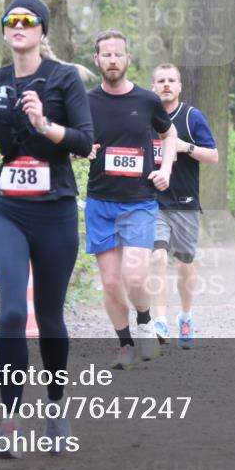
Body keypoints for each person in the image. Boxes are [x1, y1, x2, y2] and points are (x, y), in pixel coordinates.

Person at [0, 0, 93, 458]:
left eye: (28, 20)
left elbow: (84, 142)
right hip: (8, 207)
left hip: (56, 208)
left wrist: (45, 125)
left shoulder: (63, 79)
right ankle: (8, 423)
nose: (18, 26)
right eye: (11, 20)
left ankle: (56, 407)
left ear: (42, 31)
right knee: (13, 314)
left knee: (50, 316)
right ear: (5, 31)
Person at [84, 30, 177, 369]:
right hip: (100, 202)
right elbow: (73, 142)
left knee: (134, 276)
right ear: (96, 60)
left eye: (118, 54)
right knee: (110, 282)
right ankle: (124, 344)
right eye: (105, 55)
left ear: (128, 59)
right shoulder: (86, 102)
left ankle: (145, 321)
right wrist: (81, 149)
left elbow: (169, 135)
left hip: (139, 201)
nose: (112, 60)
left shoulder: (146, 101)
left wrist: (165, 167)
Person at [148, 63, 218, 349]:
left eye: (171, 80)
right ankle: (160, 320)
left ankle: (185, 316)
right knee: (157, 257)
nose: (166, 85)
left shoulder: (191, 117)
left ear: (179, 86)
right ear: (153, 87)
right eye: (161, 81)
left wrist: (184, 147)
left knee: (185, 263)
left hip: (185, 203)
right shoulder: (144, 117)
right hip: (152, 202)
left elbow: (213, 156)